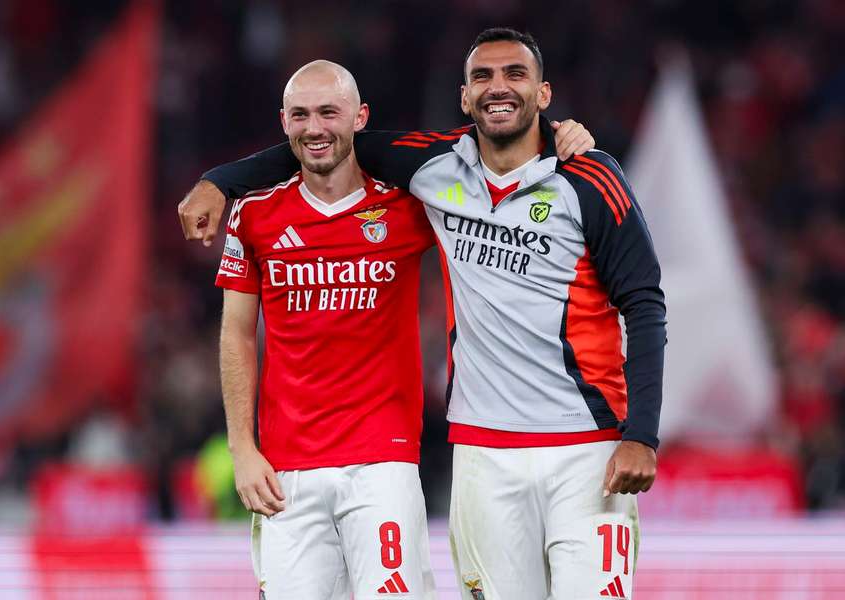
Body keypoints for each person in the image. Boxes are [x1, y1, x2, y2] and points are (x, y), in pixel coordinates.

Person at [211, 58, 596, 599]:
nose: (315, 127)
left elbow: (487, 158)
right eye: (300, 114)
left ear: (361, 117)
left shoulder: (411, 204)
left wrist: (555, 137)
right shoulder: (253, 215)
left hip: (384, 460)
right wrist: (242, 450)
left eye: (329, 112)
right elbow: (235, 335)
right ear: (283, 122)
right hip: (285, 468)